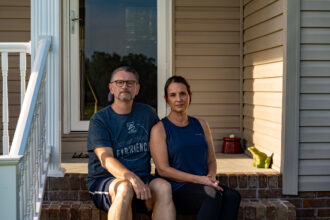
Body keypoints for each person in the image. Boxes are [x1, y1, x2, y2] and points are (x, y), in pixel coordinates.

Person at [86, 66, 175, 220]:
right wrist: (132, 178)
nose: (124, 86)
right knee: (125, 188)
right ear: (111, 88)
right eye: (119, 82)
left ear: (137, 89)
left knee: (164, 187)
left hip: (143, 179)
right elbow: (106, 159)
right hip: (107, 180)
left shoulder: (147, 113)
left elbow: (163, 143)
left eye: (130, 83)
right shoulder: (100, 119)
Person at [150, 76, 241, 220]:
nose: (178, 99)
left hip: (202, 183)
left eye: (182, 94)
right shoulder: (159, 129)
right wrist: (200, 180)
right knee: (212, 196)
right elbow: (163, 169)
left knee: (232, 196)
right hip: (176, 188)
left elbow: (211, 160)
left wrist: (210, 178)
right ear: (166, 99)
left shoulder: (202, 124)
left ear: (190, 96)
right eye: (173, 95)